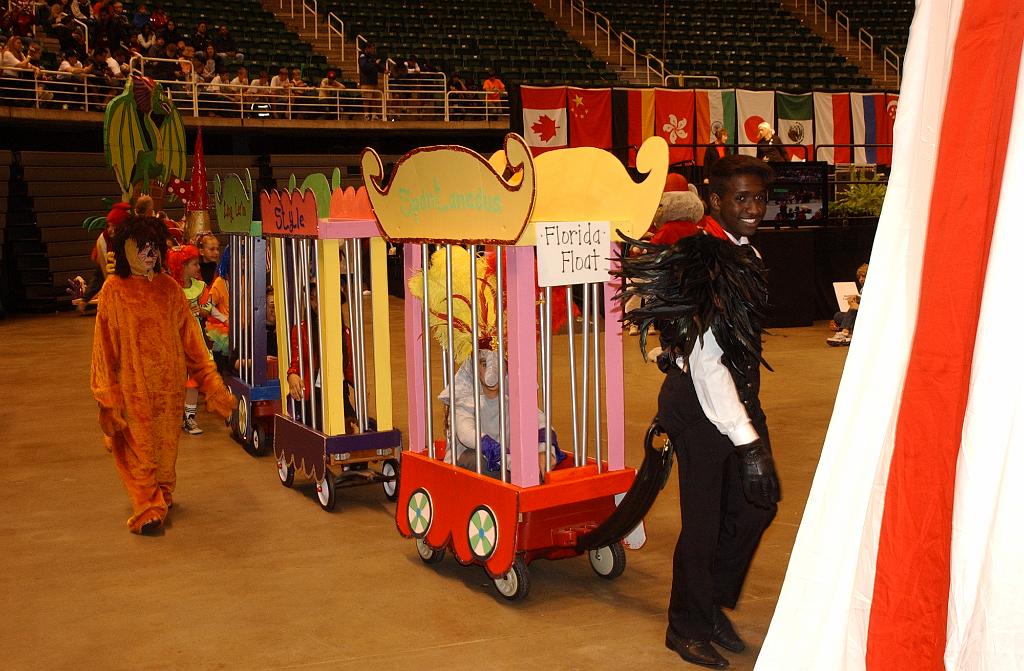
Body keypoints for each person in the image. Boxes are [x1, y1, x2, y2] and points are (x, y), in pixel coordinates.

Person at [620, 154, 780, 669]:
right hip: (700, 408)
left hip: (735, 401)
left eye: (759, 197)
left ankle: (709, 602)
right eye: (742, 198)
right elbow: (707, 363)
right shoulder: (702, 260)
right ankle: (685, 626)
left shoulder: (741, 252)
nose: (754, 207)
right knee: (704, 523)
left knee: (757, 505)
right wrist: (746, 439)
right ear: (715, 200)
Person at [90, 215, 234, 535]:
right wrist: (107, 397)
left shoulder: (170, 290)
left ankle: (162, 496)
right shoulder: (114, 291)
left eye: (152, 248)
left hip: (171, 391)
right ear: (126, 249)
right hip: (133, 390)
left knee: (166, 455)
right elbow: (103, 348)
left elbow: (193, 344)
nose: (148, 255)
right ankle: (146, 506)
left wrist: (212, 384)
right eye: (140, 248)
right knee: (140, 454)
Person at [827, 262, 868, 347]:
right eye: (859, 277)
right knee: (838, 315)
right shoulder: (862, 289)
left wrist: (857, 307)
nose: (861, 279)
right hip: (860, 316)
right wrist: (858, 298)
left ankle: (844, 333)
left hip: (869, 317)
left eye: (863, 276)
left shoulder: (875, 288)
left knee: (853, 308)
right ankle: (851, 330)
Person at [358, 42, 387, 119]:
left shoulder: (372, 57)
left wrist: (384, 70)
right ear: (367, 48)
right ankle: (366, 114)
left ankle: (374, 114)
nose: (373, 49)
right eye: (371, 48)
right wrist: (374, 63)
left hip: (374, 81)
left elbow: (377, 66)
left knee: (375, 99)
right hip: (366, 82)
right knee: (366, 99)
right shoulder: (362, 57)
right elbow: (365, 67)